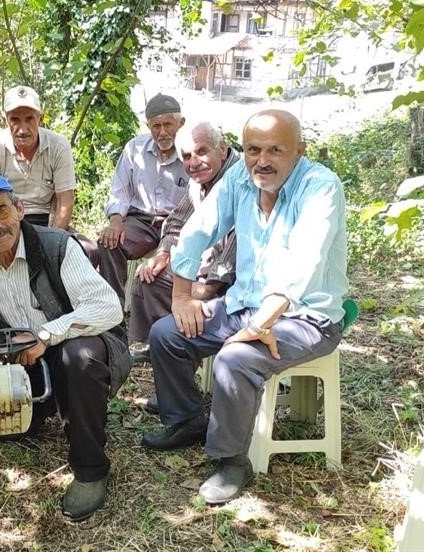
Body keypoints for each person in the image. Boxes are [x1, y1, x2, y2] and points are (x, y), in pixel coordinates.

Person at [141, 110, 348, 505]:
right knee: (166, 334)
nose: (262, 160)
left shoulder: (320, 186)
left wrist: (260, 324)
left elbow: (305, 263)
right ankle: (186, 420)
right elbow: (199, 229)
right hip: (245, 305)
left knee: (234, 359)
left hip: (306, 316)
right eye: (253, 149)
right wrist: (181, 296)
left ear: (299, 151)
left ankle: (232, 461)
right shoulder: (240, 178)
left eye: (275, 150)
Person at [0, 172, 131, 522]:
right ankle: (34, 413)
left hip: (72, 348)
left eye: (1, 211)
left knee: (78, 358)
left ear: (20, 209)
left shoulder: (58, 246)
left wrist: (46, 336)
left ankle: (90, 468)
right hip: (20, 362)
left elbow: (107, 308)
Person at [129, 122, 239, 359]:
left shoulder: (240, 180)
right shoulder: (199, 179)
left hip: (235, 282)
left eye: (201, 152)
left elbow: (237, 246)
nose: (193, 162)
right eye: (187, 157)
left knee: (185, 295)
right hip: (203, 266)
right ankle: (159, 346)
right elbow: (177, 221)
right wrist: (163, 254)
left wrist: (205, 287)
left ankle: (176, 350)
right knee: (149, 277)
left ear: (222, 148)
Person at [0, 84, 98, 262]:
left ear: (41, 119)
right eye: (15, 119)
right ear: (4, 121)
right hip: (5, 218)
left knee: (88, 251)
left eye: (29, 119)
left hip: (47, 220)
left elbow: (65, 201)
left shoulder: (59, 146)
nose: (23, 129)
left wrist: (54, 240)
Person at [98, 93, 189, 302]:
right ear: (148, 126)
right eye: (156, 126)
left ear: (181, 123)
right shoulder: (135, 148)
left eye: (169, 124)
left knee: (184, 256)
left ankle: (170, 313)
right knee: (109, 242)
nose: (163, 132)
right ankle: (112, 310)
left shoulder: (190, 152)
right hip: (141, 220)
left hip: (179, 224)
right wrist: (115, 220)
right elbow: (119, 190)